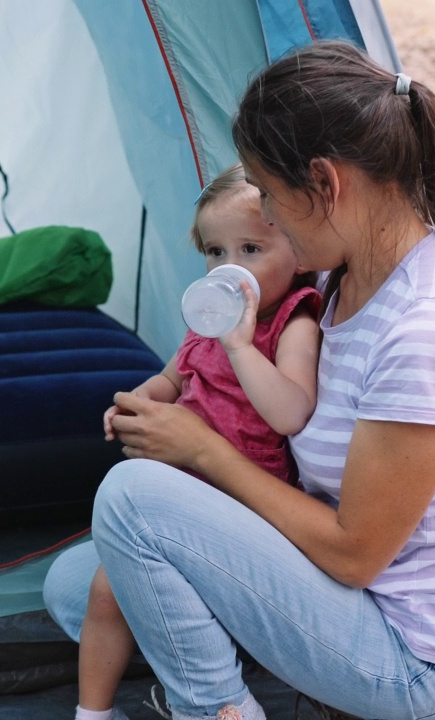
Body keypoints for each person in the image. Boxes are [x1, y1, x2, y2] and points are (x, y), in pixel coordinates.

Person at [43, 40, 435, 720]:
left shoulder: (427, 331)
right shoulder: (336, 274)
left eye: (269, 195)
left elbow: (356, 556)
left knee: (130, 501)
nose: (263, 216)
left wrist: (200, 450)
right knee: (78, 584)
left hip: (409, 651)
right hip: (340, 589)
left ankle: (217, 706)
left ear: (325, 184)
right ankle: (279, 673)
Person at [77, 163, 321, 720]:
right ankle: (92, 713)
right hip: (179, 484)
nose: (230, 269)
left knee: (179, 597)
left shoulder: (292, 322)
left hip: (241, 499)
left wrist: (240, 346)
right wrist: (138, 400)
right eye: (215, 252)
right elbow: (175, 377)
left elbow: (289, 412)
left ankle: (219, 697)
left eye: (250, 250)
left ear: (301, 251)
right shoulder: (207, 318)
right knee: (103, 590)